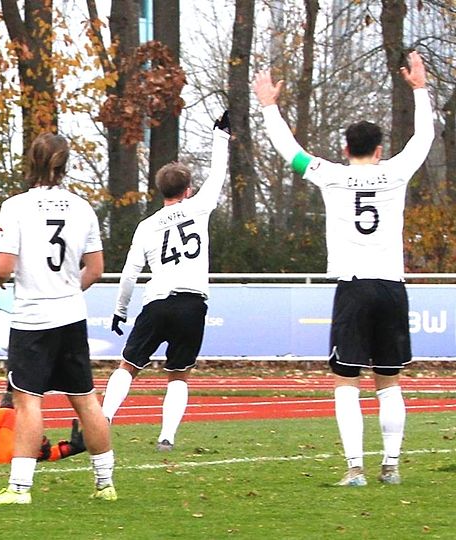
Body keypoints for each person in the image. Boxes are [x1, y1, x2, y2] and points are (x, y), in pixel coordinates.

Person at [253, 51, 433, 486]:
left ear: (344, 149)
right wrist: (421, 90)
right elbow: (423, 140)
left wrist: (269, 106)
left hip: (353, 288)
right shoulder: (395, 171)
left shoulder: (330, 174)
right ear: (378, 149)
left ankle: (356, 468)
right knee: (389, 382)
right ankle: (390, 466)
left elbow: (289, 152)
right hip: (391, 286)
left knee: (345, 380)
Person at [0, 132, 115, 505]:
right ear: (65, 164)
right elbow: (96, 269)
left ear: (31, 162)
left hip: (33, 319)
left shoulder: (16, 206)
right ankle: (105, 484)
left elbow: (4, 266)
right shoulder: (83, 207)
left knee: (28, 401)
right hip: (71, 316)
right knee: (86, 400)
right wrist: (67, 291)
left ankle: (20, 488)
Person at [101, 112, 231, 452]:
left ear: (161, 191)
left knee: (128, 365)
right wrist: (220, 136)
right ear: (188, 190)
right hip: (192, 303)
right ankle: (166, 437)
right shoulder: (199, 207)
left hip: (157, 301)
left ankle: (104, 420)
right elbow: (218, 175)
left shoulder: (147, 226)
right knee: (178, 374)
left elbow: (130, 272)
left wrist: (119, 310)